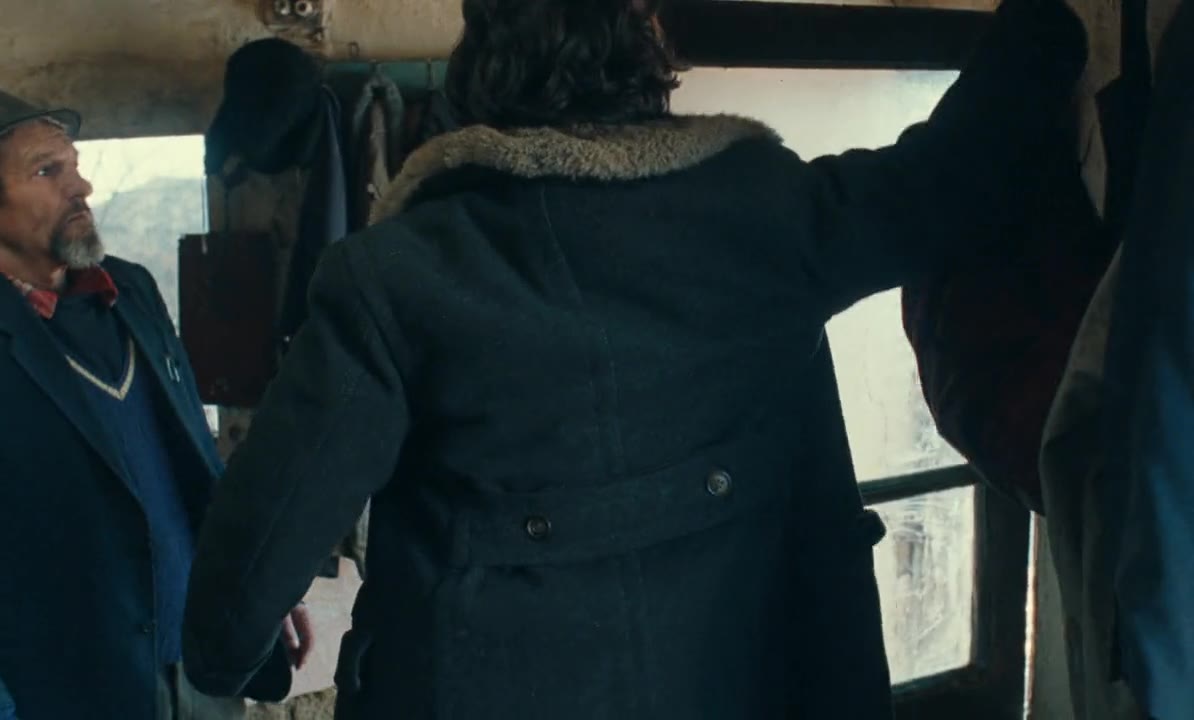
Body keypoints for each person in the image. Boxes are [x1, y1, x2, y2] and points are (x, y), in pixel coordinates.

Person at [182, 0, 1087, 716]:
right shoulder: (775, 214)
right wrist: (1049, 26)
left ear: (476, 74)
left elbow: (240, 586)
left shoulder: (391, 278)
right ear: (650, 60)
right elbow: (951, 176)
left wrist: (251, 663)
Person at [0, 92, 312, 720]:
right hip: (69, 687)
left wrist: (254, 582)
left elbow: (193, 454)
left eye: (74, 166)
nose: (80, 187)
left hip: (198, 659)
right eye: (46, 171)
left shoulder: (131, 289)